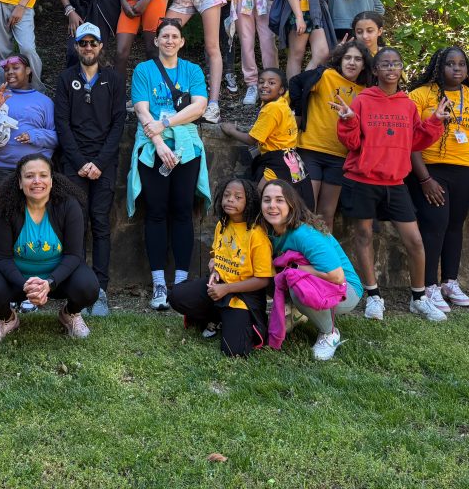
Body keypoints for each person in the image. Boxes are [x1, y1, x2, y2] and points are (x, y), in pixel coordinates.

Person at [332, 47, 449, 322]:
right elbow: (351, 143)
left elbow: (415, 141)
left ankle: (419, 298)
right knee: (363, 236)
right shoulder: (362, 100)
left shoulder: (407, 104)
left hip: (396, 182)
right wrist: (348, 119)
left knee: (415, 241)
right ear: (375, 70)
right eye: (384, 64)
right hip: (361, 179)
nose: (390, 68)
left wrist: (434, 121)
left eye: (396, 63)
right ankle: (374, 296)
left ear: (401, 69)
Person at [407, 47, 469, 312]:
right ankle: (428, 286)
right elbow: (409, 141)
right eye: (450, 64)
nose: (457, 69)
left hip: (464, 170)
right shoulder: (420, 95)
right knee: (434, 225)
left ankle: (449, 281)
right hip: (429, 169)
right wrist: (424, 179)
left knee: (454, 226)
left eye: (461, 64)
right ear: (439, 67)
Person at [127, 18, 211, 310]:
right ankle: (159, 283)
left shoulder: (193, 70)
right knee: (156, 212)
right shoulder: (143, 70)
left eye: (175, 36)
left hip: (186, 148)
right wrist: (160, 143)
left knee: (182, 211)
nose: (170, 41)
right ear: (157, 40)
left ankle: (183, 281)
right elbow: (141, 109)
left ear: (182, 41)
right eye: (165, 36)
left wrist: (167, 123)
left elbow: (199, 106)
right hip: (153, 148)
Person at [0, 154, 99, 346]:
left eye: (43, 175)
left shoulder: (68, 206)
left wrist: (49, 283)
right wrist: (26, 285)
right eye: (29, 176)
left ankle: (70, 314)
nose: (37, 181)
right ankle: (8, 319)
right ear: (19, 182)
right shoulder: (6, 209)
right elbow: (3, 258)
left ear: (52, 180)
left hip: (59, 276)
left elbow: (74, 255)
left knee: (89, 287)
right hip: (18, 276)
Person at [53, 22, 124, 317]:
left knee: (100, 223)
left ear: (101, 46)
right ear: (76, 46)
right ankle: (76, 285)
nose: (88, 47)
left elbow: (119, 123)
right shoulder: (65, 78)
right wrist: (81, 162)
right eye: (83, 43)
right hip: (74, 164)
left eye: (93, 43)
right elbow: (62, 124)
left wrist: (99, 162)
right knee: (76, 224)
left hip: (104, 164)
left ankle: (100, 289)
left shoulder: (115, 79)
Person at [260, 180, 363, 361]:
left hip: (347, 290)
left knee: (296, 283)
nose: (272, 206)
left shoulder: (304, 234)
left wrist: (296, 268)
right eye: (267, 200)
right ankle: (296, 313)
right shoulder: (269, 232)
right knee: (268, 274)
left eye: (279, 200)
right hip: (316, 282)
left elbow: (337, 277)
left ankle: (329, 333)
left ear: (292, 205)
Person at [169, 178, 270, 357]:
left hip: (243, 294)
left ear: (250, 202)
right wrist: (215, 270)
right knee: (176, 296)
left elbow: (263, 280)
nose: (230, 200)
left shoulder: (257, 235)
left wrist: (227, 288)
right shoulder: (221, 225)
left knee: (234, 351)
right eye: (227, 195)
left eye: (238, 197)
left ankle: (234, 320)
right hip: (219, 286)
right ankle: (216, 316)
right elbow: (217, 255)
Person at [288, 39, 374, 225]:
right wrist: (300, 113)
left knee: (327, 214)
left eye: (357, 59)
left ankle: (321, 254)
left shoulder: (367, 91)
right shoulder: (326, 76)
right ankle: (297, 253)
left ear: (364, 65)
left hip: (341, 157)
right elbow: (295, 82)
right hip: (310, 149)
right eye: (347, 58)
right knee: (304, 207)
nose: (352, 62)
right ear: (340, 60)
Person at [221, 68, 314, 207]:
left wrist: (231, 130)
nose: (264, 85)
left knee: (260, 199)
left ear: (281, 90)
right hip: (292, 158)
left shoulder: (271, 109)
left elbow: (252, 139)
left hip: (278, 161)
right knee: (295, 199)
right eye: (261, 82)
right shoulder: (282, 103)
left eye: (271, 83)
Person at [0, 53, 57, 193]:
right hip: (3, 169)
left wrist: (34, 136)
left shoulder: (45, 102)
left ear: (28, 70)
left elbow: (56, 138)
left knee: (36, 214)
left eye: (16, 67)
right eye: (6, 69)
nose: (10, 72)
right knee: (4, 214)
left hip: (37, 171)